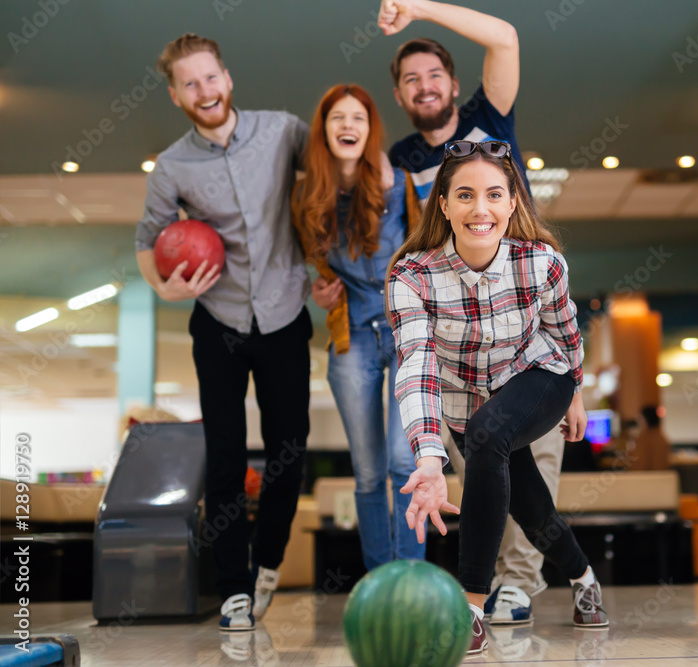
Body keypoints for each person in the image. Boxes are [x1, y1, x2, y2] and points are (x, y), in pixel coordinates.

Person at [379, 0, 563, 626]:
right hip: (461, 342)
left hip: (528, 329)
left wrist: (415, 8)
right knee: (486, 465)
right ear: (401, 95)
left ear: (454, 85)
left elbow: (506, 37)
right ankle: (488, 584)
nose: (425, 86)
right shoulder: (402, 160)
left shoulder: (490, 121)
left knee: (532, 457)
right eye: (411, 80)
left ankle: (517, 584)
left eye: (434, 75)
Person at [386, 140, 609, 655]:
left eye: (493, 195)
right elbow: (416, 365)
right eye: (464, 195)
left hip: (539, 376)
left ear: (513, 203)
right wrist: (428, 455)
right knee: (531, 505)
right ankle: (584, 579)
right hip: (465, 400)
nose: (479, 209)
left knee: (489, 435)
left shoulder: (541, 263)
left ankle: (470, 607)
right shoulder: (412, 276)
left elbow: (565, 331)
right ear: (443, 205)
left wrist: (575, 390)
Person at [135, 33, 311, 631]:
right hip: (218, 321)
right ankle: (234, 588)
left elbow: (334, 184)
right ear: (175, 95)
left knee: (290, 454)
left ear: (227, 79)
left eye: (210, 78)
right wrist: (164, 288)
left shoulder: (284, 130)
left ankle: (267, 563)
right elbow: (146, 241)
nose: (204, 91)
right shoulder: (172, 166)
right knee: (226, 459)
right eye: (190, 83)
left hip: (286, 313)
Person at [291, 84, 423, 571]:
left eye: (359, 119)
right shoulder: (307, 195)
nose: (348, 125)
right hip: (352, 337)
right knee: (368, 473)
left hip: (407, 332)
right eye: (338, 118)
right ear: (324, 130)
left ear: (371, 131)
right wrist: (319, 288)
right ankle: (379, 581)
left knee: (403, 462)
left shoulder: (398, 183)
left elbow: (425, 253)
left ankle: (410, 578)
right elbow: (311, 263)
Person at [631, 405, 672, 470]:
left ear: (645, 420)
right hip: (661, 478)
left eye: (640, 419)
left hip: (647, 478)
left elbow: (638, 466)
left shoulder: (643, 439)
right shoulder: (662, 438)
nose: (638, 422)